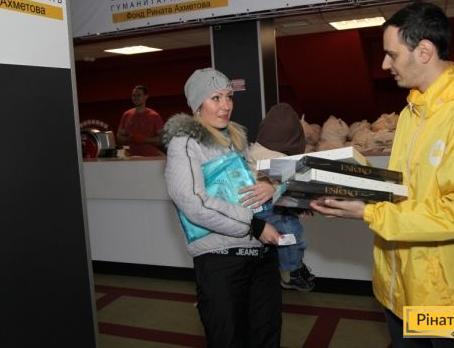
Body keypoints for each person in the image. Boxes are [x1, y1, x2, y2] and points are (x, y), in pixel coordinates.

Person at [310, 2, 454, 347]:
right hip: (404, 287)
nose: (384, 65)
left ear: (424, 51)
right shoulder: (414, 110)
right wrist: (354, 188)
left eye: (391, 54)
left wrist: (370, 212)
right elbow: (408, 189)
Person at [162, 67, 282, 348]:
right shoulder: (185, 143)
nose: (226, 105)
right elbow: (193, 202)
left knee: (267, 337)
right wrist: (254, 225)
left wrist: (272, 187)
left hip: (261, 257)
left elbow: (262, 181)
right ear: (197, 104)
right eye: (215, 98)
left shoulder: (236, 140)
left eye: (229, 97)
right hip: (221, 262)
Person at [247, 103, 316, 292]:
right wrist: (301, 205)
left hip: (260, 208)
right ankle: (291, 271)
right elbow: (290, 184)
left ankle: (293, 265)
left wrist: (298, 205)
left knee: (290, 234)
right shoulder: (275, 157)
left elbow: (282, 184)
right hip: (263, 208)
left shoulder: (258, 149)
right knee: (291, 233)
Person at [117, 85, 164, 156]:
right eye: (134, 95)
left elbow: (162, 139)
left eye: (139, 95)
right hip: (131, 157)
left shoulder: (154, 116)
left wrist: (145, 139)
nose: (135, 98)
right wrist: (129, 139)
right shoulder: (126, 115)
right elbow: (119, 136)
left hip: (150, 157)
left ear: (146, 96)